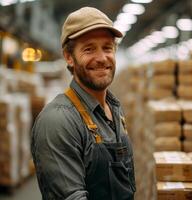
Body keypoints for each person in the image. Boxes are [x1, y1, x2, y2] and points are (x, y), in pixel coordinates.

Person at [31, 7, 136, 200]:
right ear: (69, 57)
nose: (102, 58)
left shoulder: (114, 108)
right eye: (89, 49)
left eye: (107, 47)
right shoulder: (58, 120)